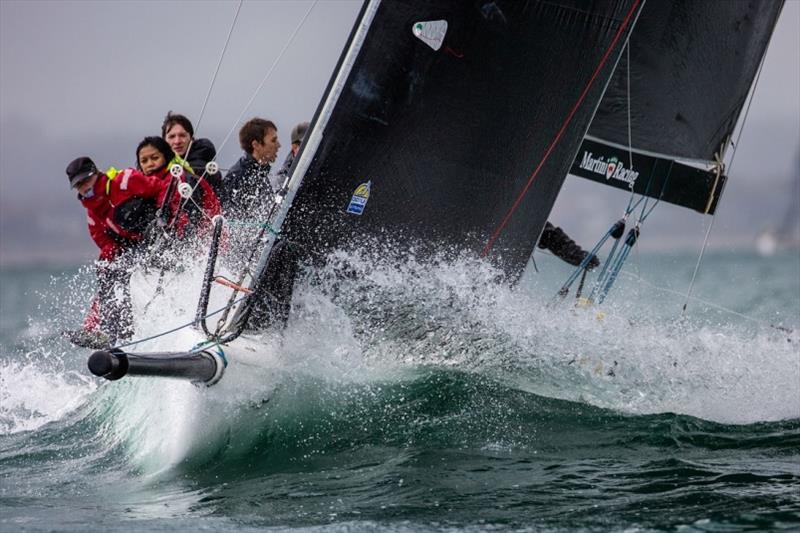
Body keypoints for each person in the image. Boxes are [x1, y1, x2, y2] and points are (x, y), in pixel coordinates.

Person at [65, 156, 171, 346]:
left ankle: (112, 329)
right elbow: (106, 244)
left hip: (160, 236)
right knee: (108, 272)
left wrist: (165, 216)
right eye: (78, 185)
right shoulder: (92, 217)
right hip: (135, 250)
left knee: (119, 270)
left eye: (86, 180)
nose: (84, 187)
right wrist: (109, 259)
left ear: (97, 174)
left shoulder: (125, 180)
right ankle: (110, 331)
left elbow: (162, 187)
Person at [136, 136, 221, 236]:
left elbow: (187, 219)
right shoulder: (142, 186)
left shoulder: (181, 180)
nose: (150, 164)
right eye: (144, 161)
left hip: (206, 237)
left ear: (166, 157)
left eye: (155, 158)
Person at [220, 117, 280, 220]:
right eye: (273, 140)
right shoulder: (240, 176)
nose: (279, 145)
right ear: (256, 145)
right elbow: (232, 221)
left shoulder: (258, 172)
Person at [161, 111, 223, 194]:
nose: (177, 141)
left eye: (182, 135)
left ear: (192, 139)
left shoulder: (205, 169)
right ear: (164, 141)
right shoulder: (156, 166)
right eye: (172, 137)